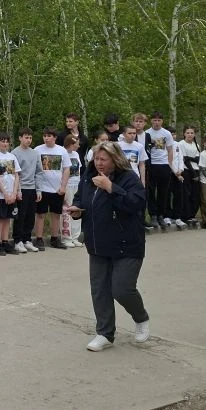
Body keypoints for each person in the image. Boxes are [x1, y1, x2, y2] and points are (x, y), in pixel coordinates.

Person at [67, 141, 150, 352]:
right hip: (98, 243)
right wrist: (77, 209)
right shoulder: (89, 176)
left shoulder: (128, 178)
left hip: (127, 244)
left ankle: (141, 318)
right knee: (100, 290)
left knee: (122, 289)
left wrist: (111, 188)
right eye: (96, 159)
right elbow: (81, 198)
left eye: (103, 159)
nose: (99, 163)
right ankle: (105, 333)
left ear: (115, 159)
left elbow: (136, 203)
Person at [34, 127, 70, 251]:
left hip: (57, 189)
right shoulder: (37, 150)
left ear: (55, 137)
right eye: (45, 136)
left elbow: (66, 169)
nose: (46, 138)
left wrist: (63, 187)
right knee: (40, 214)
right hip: (42, 188)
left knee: (56, 214)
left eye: (49, 136)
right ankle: (39, 239)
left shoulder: (62, 150)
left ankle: (54, 238)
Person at [12, 128, 43, 253]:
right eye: (26, 137)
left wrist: (38, 190)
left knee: (30, 216)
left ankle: (27, 240)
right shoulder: (15, 153)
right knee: (20, 216)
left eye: (30, 138)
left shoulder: (35, 153)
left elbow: (39, 172)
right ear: (20, 138)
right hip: (21, 189)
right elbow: (15, 174)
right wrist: (17, 190)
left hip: (32, 188)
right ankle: (17, 241)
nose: (28, 140)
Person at [143, 112, 175, 230]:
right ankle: (153, 215)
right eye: (154, 120)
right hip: (151, 164)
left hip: (164, 165)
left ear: (162, 121)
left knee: (163, 191)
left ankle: (161, 214)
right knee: (151, 191)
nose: (156, 122)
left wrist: (170, 164)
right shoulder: (147, 133)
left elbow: (170, 150)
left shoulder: (166, 133)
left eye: (159, 120)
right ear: (151, 121)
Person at [0, 132, 21, 254]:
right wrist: (5, 193)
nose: (5, 144)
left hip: (12, 194)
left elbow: (16, 175)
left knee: (8, 218)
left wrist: (14, 192)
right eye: (2, 141)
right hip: (1, 195)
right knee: (1, 218)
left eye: (6, 141)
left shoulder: (12, 156)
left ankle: (5, 241)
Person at [60, 135, 82, 248]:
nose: (78, 146)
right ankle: (66, 237)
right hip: (67, 185)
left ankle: (75, 237)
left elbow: (79, 169)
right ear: (70, 144)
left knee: (77, 209)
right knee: (67, 211)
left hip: (76, 184)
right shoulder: (62, 153)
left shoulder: (76, 154)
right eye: (76, 144)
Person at [176, 127, 201, 226]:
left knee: (195, 194)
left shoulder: (196, 145)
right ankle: (185, 216)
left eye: (192, 133)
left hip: (196, 170)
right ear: (184, 134)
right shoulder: (181, 144)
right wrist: (193, 173)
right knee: (186, 193)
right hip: (187, 170)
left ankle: (192, 215)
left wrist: (190, 159)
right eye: (188, 133)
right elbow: (185, 159)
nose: (190, 134)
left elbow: (198, 159)